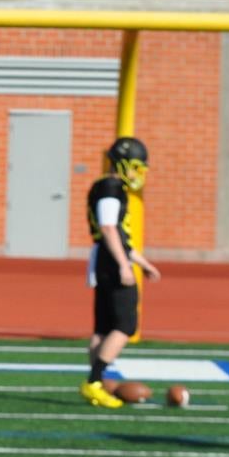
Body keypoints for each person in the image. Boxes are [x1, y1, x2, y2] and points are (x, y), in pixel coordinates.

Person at [81, 136, 162, 408]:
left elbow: (119, 236)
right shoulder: (111, 187)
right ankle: (94, 381)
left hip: (105, 257)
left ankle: (99, 383)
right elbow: (108, 228)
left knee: (103, 328)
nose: (138, 173)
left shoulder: (107, 187)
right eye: (136, 166)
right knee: (125, 326)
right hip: (110, 259)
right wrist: (124, 265)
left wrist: (143, 263)